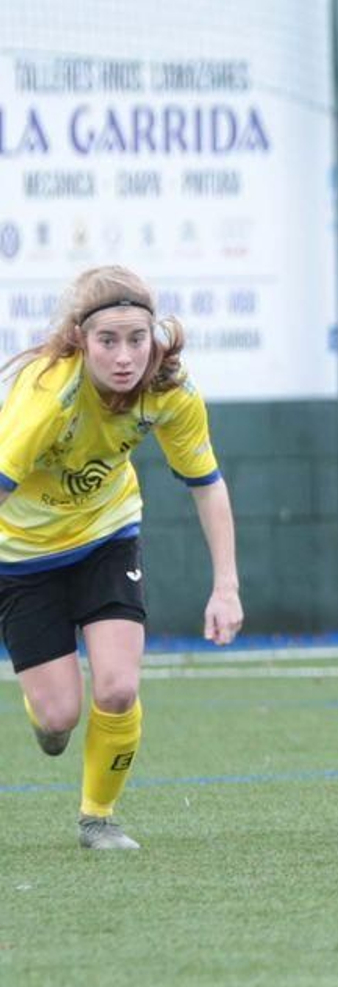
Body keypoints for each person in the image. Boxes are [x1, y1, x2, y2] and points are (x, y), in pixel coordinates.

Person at [0, 265, 243, 850]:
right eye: (108, 341)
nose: (125, 356)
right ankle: (43, 709)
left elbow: (206, 484)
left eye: (138, 338)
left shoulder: (169, 392)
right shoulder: (45, 395)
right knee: (59, 717)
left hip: (106, 536)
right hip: (21, 556)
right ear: (80, 340)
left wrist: (226, 586)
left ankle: (98, 819)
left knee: (116, 688)